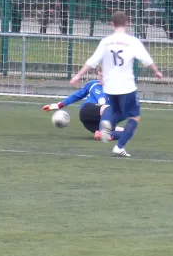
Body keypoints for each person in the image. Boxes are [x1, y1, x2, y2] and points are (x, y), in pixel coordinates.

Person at [70, 11, 163, 157]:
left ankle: (107, 123)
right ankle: (119, 146)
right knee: (134, 116)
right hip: (126, 86)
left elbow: (92, 61)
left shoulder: (106, 42)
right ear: (128, 23)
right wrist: (156, 71)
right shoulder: (132, 41)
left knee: (118, 112)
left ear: (112, 24)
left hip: (110, 87)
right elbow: (146, 60)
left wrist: (78, 75)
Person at [42, 69, 124, 140]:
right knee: (108, 108)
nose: (99, 78)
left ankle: (105, 134)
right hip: (86, 110)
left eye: (102, 76)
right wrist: (57, 105)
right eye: (99, 75)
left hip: (93, 123)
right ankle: (103, 131)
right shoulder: (93, 84)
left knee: (126, 131)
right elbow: (76, 96)